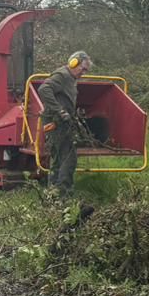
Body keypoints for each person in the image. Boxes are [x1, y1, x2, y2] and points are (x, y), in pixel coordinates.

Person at [36, 51, 92, 195]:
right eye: (83, 68)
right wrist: (59, 111)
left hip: (62, 123)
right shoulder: (62, 75)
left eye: (86, 70)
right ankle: (63, 192)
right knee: (69, 158)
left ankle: (53, 192)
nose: (83, 73)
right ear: (74, 63)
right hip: (56, 123)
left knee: (59, 159)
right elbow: (43, 89)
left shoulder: (71, 79)